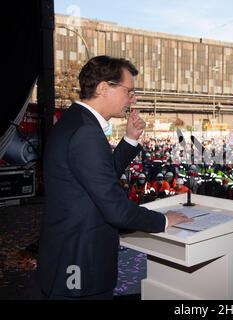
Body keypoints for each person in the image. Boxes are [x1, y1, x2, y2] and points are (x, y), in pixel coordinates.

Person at [37, 56, 191, 300]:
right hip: (79, 258)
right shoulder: (86, 131)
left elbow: (98, 176)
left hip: (67, 250)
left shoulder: (76, 120)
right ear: (103, 88)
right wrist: (163, 221)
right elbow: (116, 209)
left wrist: (130, 139)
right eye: (129, 91)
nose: (133, 99)